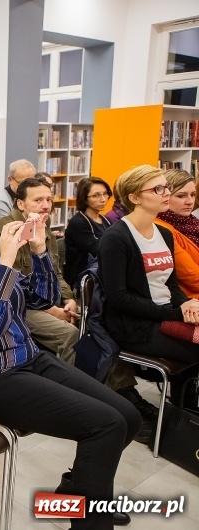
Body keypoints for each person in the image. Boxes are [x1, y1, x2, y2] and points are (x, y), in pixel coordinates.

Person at [0, 193, 140, 530]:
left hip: (29, 359)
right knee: (105, 424)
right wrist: (8, 263)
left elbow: (44, 298)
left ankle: (79, 491)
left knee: (127, 416)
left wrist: (39, 253)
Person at [99, 165, 199, 407]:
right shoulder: (116, 238)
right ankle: (182, 421)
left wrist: (186, 303)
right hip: (135, 326)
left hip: (165, 316)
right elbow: (118, 298)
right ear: (134, 197)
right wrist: (175, 313)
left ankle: (183, 416)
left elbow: (171, 284)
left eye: (166, 187)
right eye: (158, 188)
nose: (166, 193)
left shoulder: (163, 234)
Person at [0, 177, 80, 366]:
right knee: (70, 334)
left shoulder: (44, 231)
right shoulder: (4, 230)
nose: (46, 206)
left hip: (43, 301)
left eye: (48, 200)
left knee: (92, 323)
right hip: (16, 306)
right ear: (20, 203)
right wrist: (52, 310)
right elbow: (9, 285)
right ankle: (71, 389)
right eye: (38, 200)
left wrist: (69, 300)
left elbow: (55, 272)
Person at [155, 169, 199, 298]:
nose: (190, 201)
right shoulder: (161, 228)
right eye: (181, 196)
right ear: (164, 196)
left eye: (193, 194)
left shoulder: (192, 222)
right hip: (187, 298)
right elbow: (190, 276)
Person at [63, 177, 112, 288]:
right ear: (84, 198)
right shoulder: (79, 222)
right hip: (84, 277)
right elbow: (97, 250)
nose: (103, 199)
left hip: (102, 271)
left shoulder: (105, 219)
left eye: (105, 194)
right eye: (96, 195)